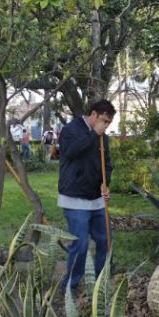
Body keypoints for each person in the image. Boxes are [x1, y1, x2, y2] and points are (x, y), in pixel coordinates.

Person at [58, 99, 116, 296]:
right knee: (80, 245)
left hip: (97, 198)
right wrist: (93, 135)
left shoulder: (103, 138)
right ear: (93, 114)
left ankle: (101, 281)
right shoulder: (70, 130)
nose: (105, 126)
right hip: (75, 198)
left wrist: (106, 183)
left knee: (105, 240)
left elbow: (107, 164)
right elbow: (70, 152)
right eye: (103, 121)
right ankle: (70, 286)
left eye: (108, 123)